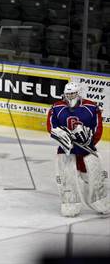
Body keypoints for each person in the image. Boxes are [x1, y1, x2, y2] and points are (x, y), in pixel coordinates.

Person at [47, 82, 109, 217]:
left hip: (87, 148)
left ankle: (99, 200)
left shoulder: (91, 107)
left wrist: (90, 140)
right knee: (67, 177)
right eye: (68, 94)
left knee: (94, 175)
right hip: (66, 149)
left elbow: (97, 128)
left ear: (78, 93)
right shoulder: (57, 107)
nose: (70, 97)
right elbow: (51, 126)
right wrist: (60, 135)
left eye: (73, 94)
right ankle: (70, 204)